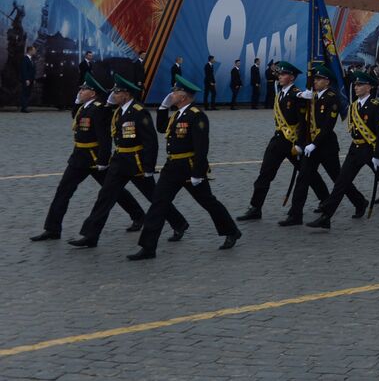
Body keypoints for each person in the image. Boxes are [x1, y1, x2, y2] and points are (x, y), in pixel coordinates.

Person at [68, 73, 189, 249]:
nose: (114, 95)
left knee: (154, 197)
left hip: (136, 162)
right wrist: (108, 105)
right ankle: (90, 235)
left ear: (126, 94)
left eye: (117, 93)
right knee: (105, 197)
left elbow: (151, 141)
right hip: (119, 162)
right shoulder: (118, 111)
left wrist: (148, 167)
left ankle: (178, 223)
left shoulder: (139, 112)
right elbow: (98, 118)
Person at [127, 73, 241, 260]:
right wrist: (163, 108)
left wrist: (198, 173)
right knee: (158, 204)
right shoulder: (178, 114)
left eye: (175, 91)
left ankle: (231, 230)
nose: (171, 93)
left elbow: (201, 147)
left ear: (184, 95)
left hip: (189, 168)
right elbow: (162, 128)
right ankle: (148, 247)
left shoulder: (197, 116)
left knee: (208, 202)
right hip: (172, 167)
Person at [31, 69, 145, 241]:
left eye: (83, 90)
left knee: (114, 191)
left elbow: (104, 137)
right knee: (63, 191)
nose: (80, 92)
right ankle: (52, 229)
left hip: (94, 158)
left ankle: (138, 215)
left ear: (92, 93)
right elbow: (75, 118)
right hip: (78, 158)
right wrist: (77, 103)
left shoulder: (98, 109)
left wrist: (103, 159)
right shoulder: (85, 107)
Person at [306, 69, 379, 229]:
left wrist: (378, 154)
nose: (356, 87)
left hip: (371, 149)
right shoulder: (354, 106)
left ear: (369, 87)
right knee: (341, 182)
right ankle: (326, 216)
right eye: (355, 84)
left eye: (360, 84)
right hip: (355, 149)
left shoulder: (376, 106)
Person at [236, 62, 329, 222]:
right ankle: (255, 207)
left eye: (283, 74)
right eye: (279, 74)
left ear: (291, 77)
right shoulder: (280, 93)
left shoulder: (296, 94)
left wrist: (300, 144)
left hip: (293, 143)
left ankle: (325, 200)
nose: (279, 76)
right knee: (265, 174)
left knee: (309, 174)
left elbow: (303, 122)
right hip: (278, 141)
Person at [284, 64, 366, 226]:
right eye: (315, 78)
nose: (315, 81)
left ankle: (360, 202)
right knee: (303, 178)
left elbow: (328, 125)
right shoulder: (311, 97)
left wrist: (314, 144)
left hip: (326, 147)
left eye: (319, 79)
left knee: (339, 179)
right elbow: (304, 123)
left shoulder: (332, 97)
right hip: (310, 147)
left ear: (327, 82)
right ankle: (295, 215)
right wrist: (302, 144)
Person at [19, 44, 37, 112]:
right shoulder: (25, 59)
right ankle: (24, 108)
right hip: (27, 80)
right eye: (34, 50)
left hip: (31, 80)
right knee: (25, 93)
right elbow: (24, 70)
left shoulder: (31, 59)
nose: (35, 52)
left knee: (28, 93)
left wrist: (33, 79)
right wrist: (26, 79)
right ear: (30, 51)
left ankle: (25, 106)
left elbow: (32, 70)